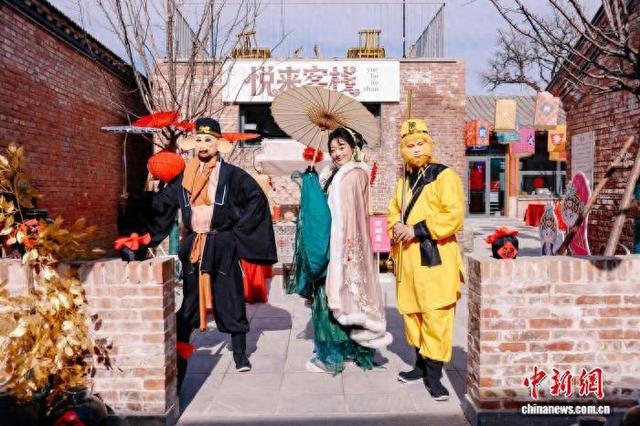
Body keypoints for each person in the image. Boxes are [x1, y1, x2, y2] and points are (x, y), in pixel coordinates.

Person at [119, 117, 277, 388]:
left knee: (230, 296)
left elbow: (256, 200)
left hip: (223, 244)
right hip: (194, 245)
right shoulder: (185, 177)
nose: (203, 145)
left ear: (219, 144)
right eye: (199, 140)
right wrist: (134, 201)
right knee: (190, 300)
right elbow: (162, 204)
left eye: (208, 140)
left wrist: (236, 233)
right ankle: (180, 349)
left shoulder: (232, 175)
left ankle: (240, 353)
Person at [288, 127, 391, 374]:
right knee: (344, 300)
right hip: (335, 244)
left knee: (333, 302)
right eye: (332, 149)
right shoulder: (335, 173)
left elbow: (343, 217)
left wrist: (312, 189)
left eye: (341, 147)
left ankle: (331, 356)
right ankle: (349, 351)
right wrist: (312, 182)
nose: (336, 153)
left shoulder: (352, 175)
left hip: (341, 247)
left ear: (353, 148)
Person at [388, 118, 464, 401]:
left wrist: (416, 230)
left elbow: (453, 215)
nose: (416, 149)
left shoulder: (444, 176)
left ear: (429, 145)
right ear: (403, 150)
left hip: (435, 258)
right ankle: (419, 366)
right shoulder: (403, 182)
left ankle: (434, 375)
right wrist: (396, 226)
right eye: (410, 145)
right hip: (408, 261)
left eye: (420, 143)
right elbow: (393, 211)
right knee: (413, 314)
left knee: (436, 315)